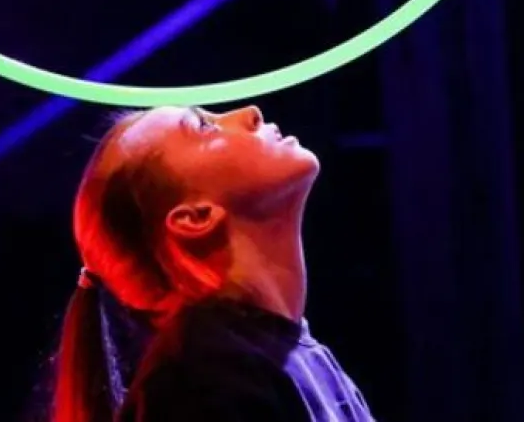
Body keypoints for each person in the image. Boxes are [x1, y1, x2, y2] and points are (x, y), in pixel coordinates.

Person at [49, 104, 377, 422]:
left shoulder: (277, 354)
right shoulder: (199, 380)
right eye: (204, 127)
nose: (251, 113)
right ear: (195, 217)